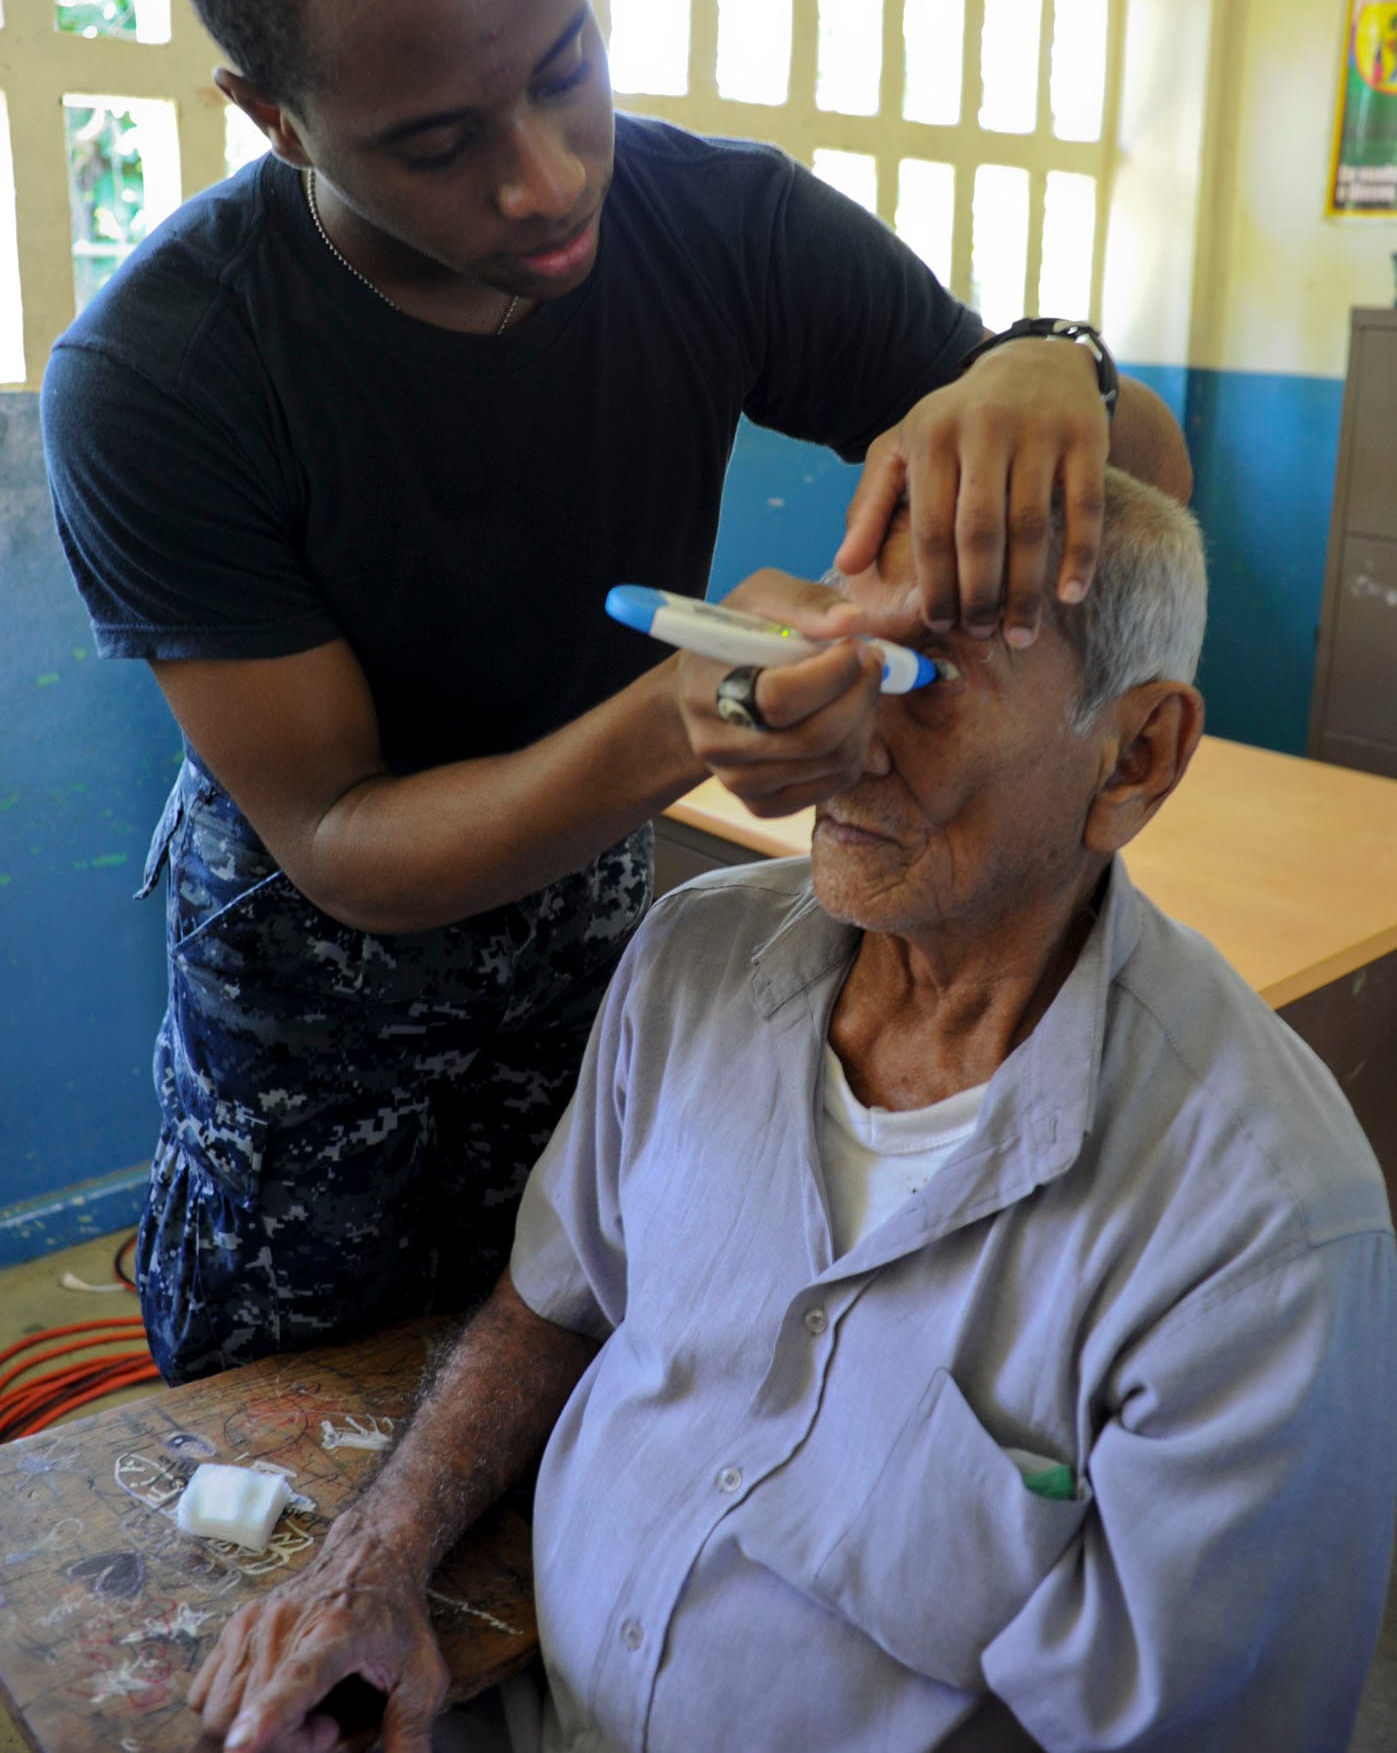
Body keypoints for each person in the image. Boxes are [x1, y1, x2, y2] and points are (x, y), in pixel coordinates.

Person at [40, 0, 1191, 1386]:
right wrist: (670, 726)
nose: (548, 175)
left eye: (565, 66)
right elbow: (343, 838)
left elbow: (1145, 479)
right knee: (284, 1447)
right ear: (275, 120)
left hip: (586, 928)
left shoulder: (722, 229)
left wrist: (1048, 370)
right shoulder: (162, 375)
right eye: (437, 144)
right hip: (311, 986)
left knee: (575, 1356)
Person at [187, 469, 1396, 1753]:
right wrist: (375, 1557)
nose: (825, 738)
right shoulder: (697, 959)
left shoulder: (1259, 1228)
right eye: (823, 661)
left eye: (921, 681)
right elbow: (549, 1304)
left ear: (1135, 755)